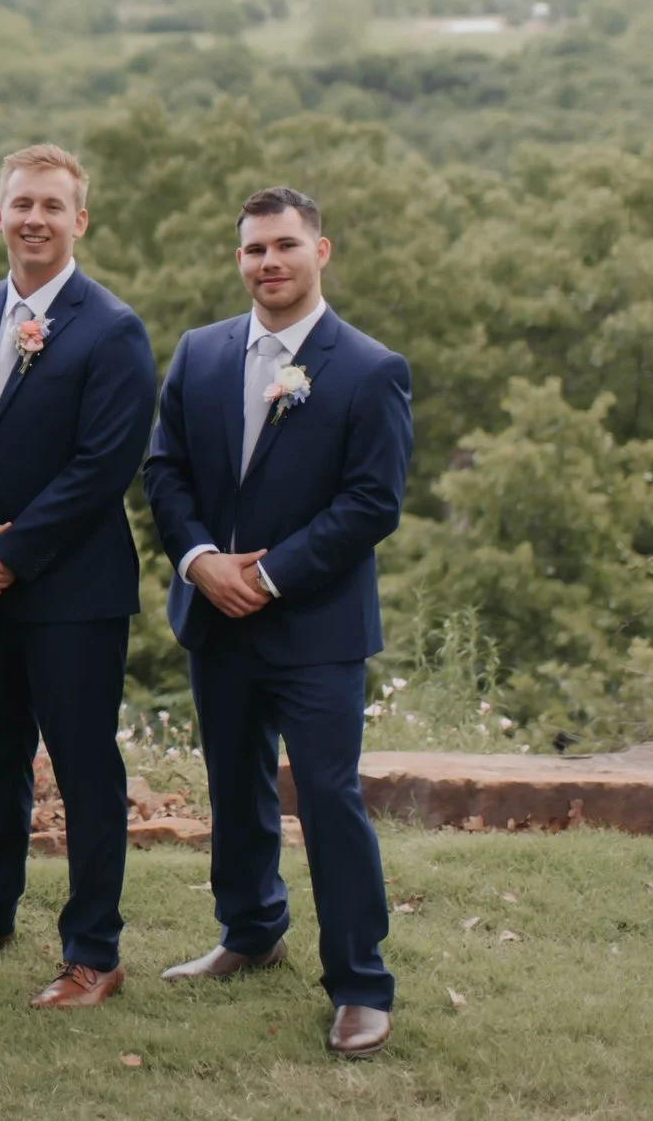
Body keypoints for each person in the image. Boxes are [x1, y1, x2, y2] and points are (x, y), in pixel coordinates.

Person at [143, 185, 411, 1059]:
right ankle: (252, 930)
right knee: (234, 783)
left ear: (319, 251)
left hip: (317, 625)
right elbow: (165, 470)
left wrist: (269, 574)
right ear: (240, 259)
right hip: (216, 614)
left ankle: (360, 983)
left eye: (286, 245)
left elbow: (372, 502)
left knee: (328, 797)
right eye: (255, 248)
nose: (270, 262)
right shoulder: (202, 351)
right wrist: (200, 561)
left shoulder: (370, 368)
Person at [0, 145, 156, 1009]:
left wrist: (8, 554)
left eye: (52, 204)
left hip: (73, 592)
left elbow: (102, 466)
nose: (35, 218)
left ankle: (94, 951)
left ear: (79, 219)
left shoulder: (113, 328)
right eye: (22, 203)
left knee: (84, 769)